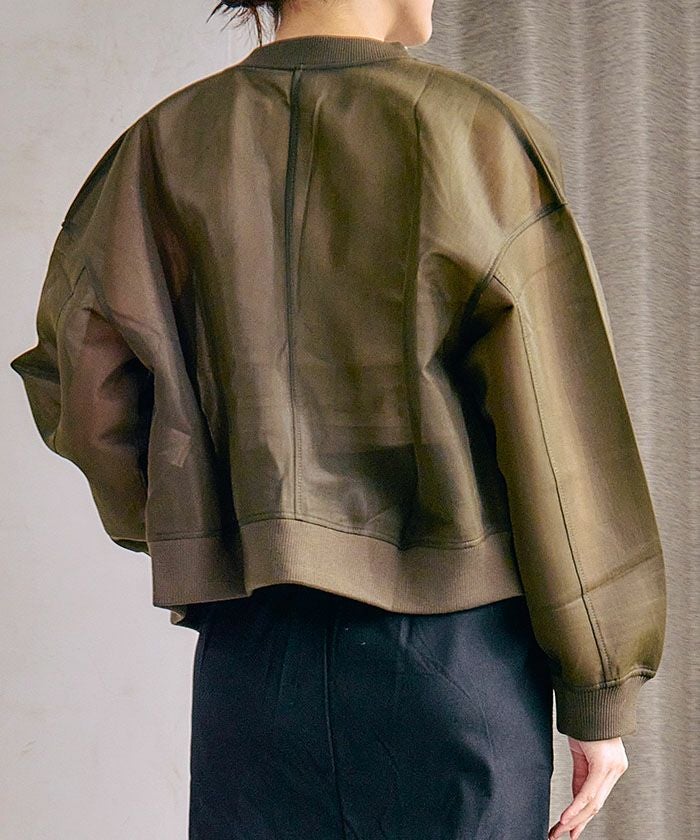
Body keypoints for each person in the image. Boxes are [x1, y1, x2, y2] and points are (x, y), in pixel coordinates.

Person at [9, 0, 667, 838]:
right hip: (455, 658)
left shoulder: (160, 146)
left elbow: (78, 379)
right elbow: (561, 424)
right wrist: (599, 682)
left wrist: (196, 523)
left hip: (253, 653)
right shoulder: (474, 135)